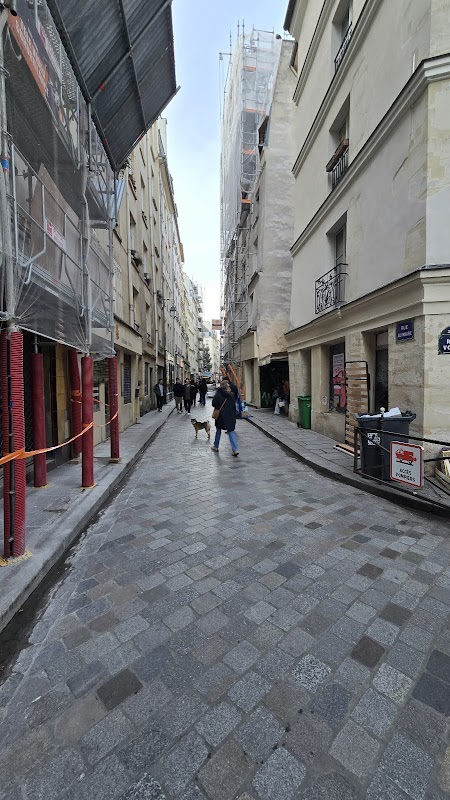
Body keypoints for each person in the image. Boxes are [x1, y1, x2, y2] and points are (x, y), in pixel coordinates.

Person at [211, 380, 239, 456]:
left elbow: (214, 404)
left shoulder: (218, 394)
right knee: (231, 431)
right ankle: (235, 449)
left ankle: (216, 446)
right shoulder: (231, 395)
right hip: (230, 416)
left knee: (218, 430)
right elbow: (234, 406)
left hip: (220, 416)